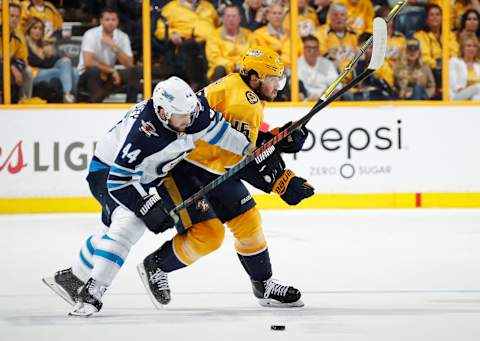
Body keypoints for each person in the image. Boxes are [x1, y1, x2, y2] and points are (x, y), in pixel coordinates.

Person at [42, 76, 253, 317]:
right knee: (130, 223)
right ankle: (93, 290)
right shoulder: (142, 132)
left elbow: (219, 130)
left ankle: (72, 278)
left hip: (143, 177)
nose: (189, 120)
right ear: (163, 113)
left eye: (190, 112)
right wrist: (144, 205)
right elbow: (119, 181)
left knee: (111, 234)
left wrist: (247, 147)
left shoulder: (192, 111)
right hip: (107, 173)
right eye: (182, 115)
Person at [137, 47, 313, 309]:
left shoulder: (236, 88)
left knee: (249, 223)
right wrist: (280, 180)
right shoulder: (245, 102)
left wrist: (278, 137)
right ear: (254, 78)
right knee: (208, 235)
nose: (278, 86)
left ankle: (263, 285)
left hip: (213, 166)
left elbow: (242, 144)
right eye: (273, 79)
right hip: (184, 168)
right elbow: (245, 155)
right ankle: (155, 266)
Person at [77, 8, 142, 103]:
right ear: (101, 21)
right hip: (87, 75)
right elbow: (88, 61)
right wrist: (112, 70)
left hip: (108, 75)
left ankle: (131, 107)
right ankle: (94, 105)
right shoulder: (91, 34)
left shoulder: (122, 37)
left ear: (118, 21)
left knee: (135, 71)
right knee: (94, 71)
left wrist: (113, 46)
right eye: (107, 20)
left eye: (113, 20)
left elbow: (129, 64)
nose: (110, 23)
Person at [25, 17, 78, 103]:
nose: (38, 31)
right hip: (33, 73)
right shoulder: (25, 43)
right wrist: (42, 53)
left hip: (47, 70)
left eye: (40, 29)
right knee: (59, 72)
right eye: (35, 28)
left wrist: (53, 54)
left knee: (72, 68)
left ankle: (70, 96)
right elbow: (33, 62)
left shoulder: (43, 44)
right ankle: (69, 98)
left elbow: (54, 61)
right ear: (28, 29)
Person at [205, 4, 255, 81]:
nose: (231, 19)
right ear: (223, 18)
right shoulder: (213, 36)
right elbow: (214, 58)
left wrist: (241, 65)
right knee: (219, 68)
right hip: (223, 72)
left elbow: (254, 55)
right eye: (228, 16)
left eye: (234, 16)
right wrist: (234, 65)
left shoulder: (249, 35)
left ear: (239, 18)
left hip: (244, 70)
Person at [0, 3, 33, 103]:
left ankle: (23, 100)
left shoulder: (18, 36)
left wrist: (14, 65)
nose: (14, 19)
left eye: (17, 16)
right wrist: (12, 66)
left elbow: (23, 60)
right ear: (3, 15)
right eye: (11, 16)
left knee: (28, 71)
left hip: (9, 68)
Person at [297, 35, 339, 101]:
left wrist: (330, 93)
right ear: (303, 49)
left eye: (315, 48)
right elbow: (298, 87)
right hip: (305, 102)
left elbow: (336, 84)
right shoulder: (297, 64)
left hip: (325, 100)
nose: (312, 51)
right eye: (309, 48)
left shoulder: (327, 64)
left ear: (318, 49)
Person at [449, 33, 480, 100]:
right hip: (457, 95)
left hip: (475, 95)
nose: (472, 48)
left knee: (476, 98)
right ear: (462, 48)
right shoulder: (454, 61)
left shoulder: (478, 65)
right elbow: (453, 85)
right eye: (468, 46)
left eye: (474, 46)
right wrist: (466, 90)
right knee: (477, 86)